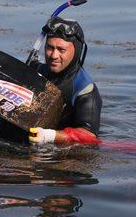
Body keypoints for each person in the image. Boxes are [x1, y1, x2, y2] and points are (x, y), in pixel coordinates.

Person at [28, 17, 102, 145]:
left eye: (61, 50)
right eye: (50, 48)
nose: (54, 55)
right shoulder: (35, 69)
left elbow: (90, 136)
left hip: (62, 153)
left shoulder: (85, 90)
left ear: (76, 51)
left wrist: (50, 136)